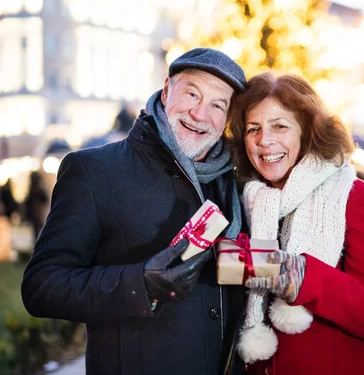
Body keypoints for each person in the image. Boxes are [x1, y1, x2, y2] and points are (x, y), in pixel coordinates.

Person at [22, 48, 248, 375]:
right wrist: (140, 284)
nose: (200, 114)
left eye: (217, 105)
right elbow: (42, 286)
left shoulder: (234, 182)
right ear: (167, 89)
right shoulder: (95, 170)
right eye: (192, 94)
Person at [228, 72, 364, 375]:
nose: (265, 140)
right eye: (253, 129)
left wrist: (300, 276)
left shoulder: (355, 199)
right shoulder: (244, 200)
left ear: (308, 131)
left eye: (280, 126)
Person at [25, 171, 49, 241]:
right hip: (37, 213)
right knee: (37, 231)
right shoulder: (38, 189)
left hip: (36, 213)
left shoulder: (33, 190)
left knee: (36, 231)